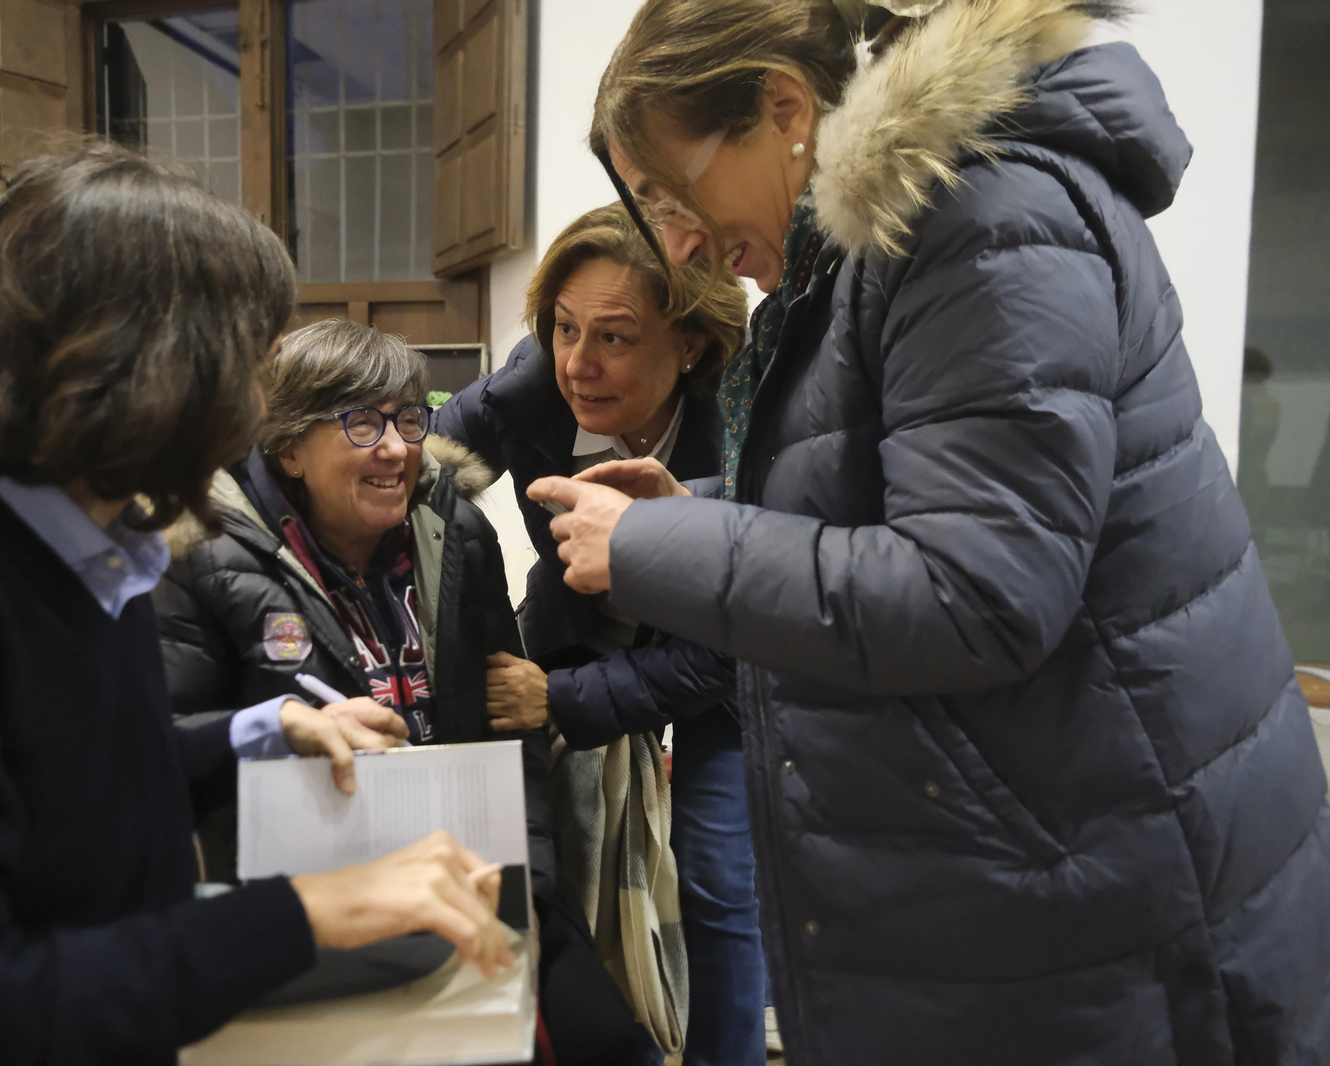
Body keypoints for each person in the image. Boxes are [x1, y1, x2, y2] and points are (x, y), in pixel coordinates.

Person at [530, 0, 1330, 1063]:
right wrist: (697, 517)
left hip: (1100, 895)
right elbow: (892, 497)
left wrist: (647, 551)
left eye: (668, 194)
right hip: (1034, 867)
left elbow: (977, 590)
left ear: (782, 109)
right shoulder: (867, 250)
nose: (676, 242)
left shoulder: (975, 212)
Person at [0, 144, 511, 1066]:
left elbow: (47, 782)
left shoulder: (77, 549)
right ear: (147, 368)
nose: (253, 408)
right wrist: (304, 913)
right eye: (243, 363)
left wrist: (259, 732)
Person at [152, 317, 649, 1066]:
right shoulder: (201, 558)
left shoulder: (457, 534)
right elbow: (169, 748)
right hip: (308, 896)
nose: (395, 447)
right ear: (289, 446)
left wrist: (530, 889)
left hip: (469, 869)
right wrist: (278, 722)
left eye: (408, 419)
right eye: (359, 423)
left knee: (606, 1043)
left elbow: (509, 721)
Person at [433, 204, 768, 1066]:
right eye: (563, 327)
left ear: (689, 343)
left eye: (615, 338)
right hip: (582, 630)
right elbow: (415, 464)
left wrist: (563, 697)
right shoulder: (529, 386)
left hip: (726, 662)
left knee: (721, 884)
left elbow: (739, 649)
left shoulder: (751, 429)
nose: (579, 364)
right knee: (567, 868)